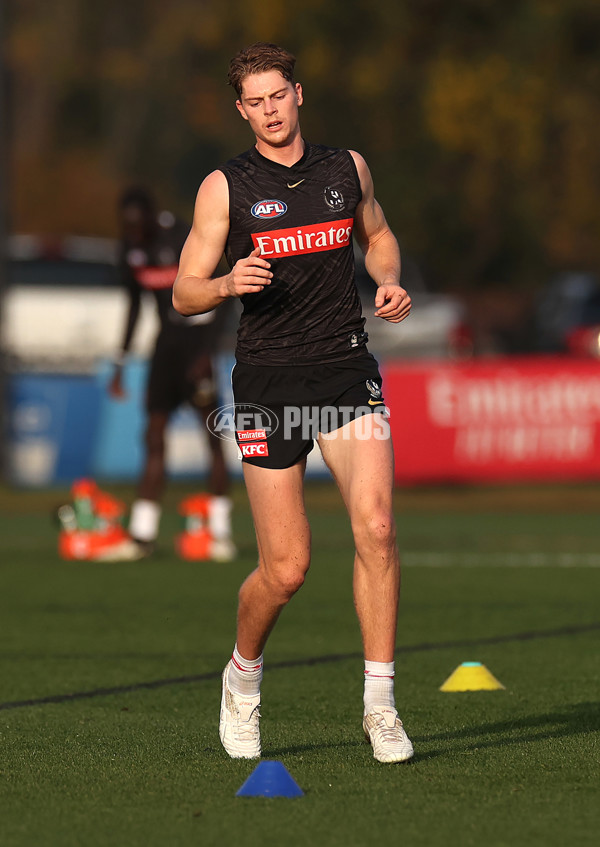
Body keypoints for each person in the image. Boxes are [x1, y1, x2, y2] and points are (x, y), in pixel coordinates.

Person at [172, 43, 413, 762]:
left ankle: (381, 704)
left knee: (376, 526)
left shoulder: (348, 168)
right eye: (256, 101)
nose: (270, 110)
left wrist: (389, 279)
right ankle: (242, 677)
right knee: (287, 567)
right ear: (240, 109)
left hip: (345, 370)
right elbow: (185, 289)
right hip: (269, 383)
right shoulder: (226, 186)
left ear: (298, 94)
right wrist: (225, 283)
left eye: (279, 95)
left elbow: (378, 234)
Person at [107, 186, 235, 561]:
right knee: (153, 435)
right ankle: (142, 535)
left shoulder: (181, 235)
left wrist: (208, 351)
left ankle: (220, 533)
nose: (133, 232)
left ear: (150, 215)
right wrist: (120, 360)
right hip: (165, 347)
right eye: (127, 227)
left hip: (197, 343)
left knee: (211, 435)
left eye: (137, 225)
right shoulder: (130, 249)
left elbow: (225, 290)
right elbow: (133, 305)